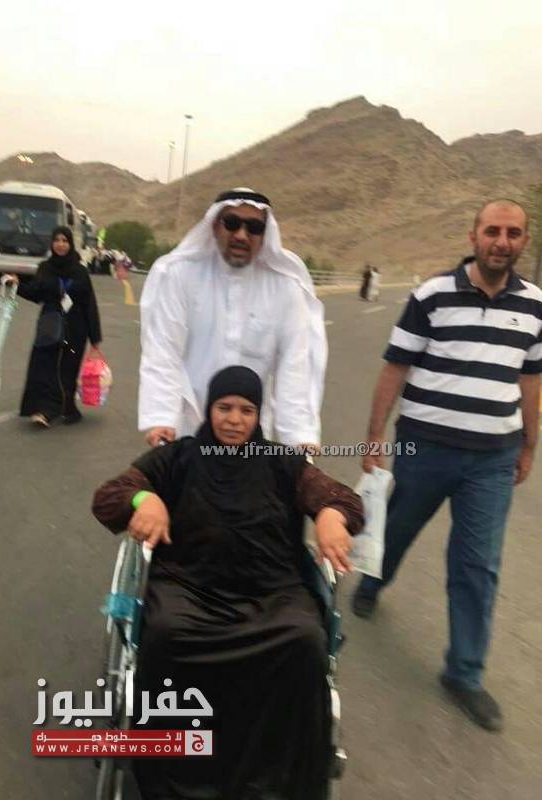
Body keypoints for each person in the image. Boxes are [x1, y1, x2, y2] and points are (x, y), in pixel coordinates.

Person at [93, 365, 364, 800]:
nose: (234, 420)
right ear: (209, 409)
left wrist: (332, 516)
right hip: (188, 585)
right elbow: (112, 493)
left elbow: (339, 496)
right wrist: (145, 499)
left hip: (272, 590)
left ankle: (276, 779)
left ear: (258, 415)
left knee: (304, 640)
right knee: (166, 633)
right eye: (224, 408)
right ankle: (173, 777)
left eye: (246, 410)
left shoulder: (282, 463)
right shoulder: (179, 458)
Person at [352, 199, 542, 731]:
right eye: (492, 231)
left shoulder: (535, 306)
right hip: (426, 446)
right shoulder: (432, 295)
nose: (501, 241)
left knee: (478, 563)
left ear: (524, 241)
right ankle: (372, 582)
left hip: (493, 457)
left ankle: (464, 673)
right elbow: (395, 368)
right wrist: (374, 437)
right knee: (398, 527)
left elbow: (531, 379)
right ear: (473, 236)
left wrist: (529, 444)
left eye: (513, 233)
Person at [138, 187, 327, 449]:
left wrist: (298, 437)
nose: (241, 235)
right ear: (215, 226)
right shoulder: (180, 275)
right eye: (232, 223)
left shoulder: (285, 288)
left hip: (250, 435)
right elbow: (163, 352)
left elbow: (295, 368)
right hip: (187, 428)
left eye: (253, 228)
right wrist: (161, 417)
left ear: (265, 234)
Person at [4, 226, 102, 427]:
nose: (60, 244)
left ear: (70, 244)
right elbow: (36, 293)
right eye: (56, 240)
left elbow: (89, 304)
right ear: (51, 243)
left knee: (68, 369)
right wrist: (16, 285)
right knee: (43, 366)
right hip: (50, 325)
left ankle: (67, 408)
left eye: (64, 241)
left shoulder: (80, 272)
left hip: (75, 329)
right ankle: (43, 410)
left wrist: (95, 339)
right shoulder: (45, 268)